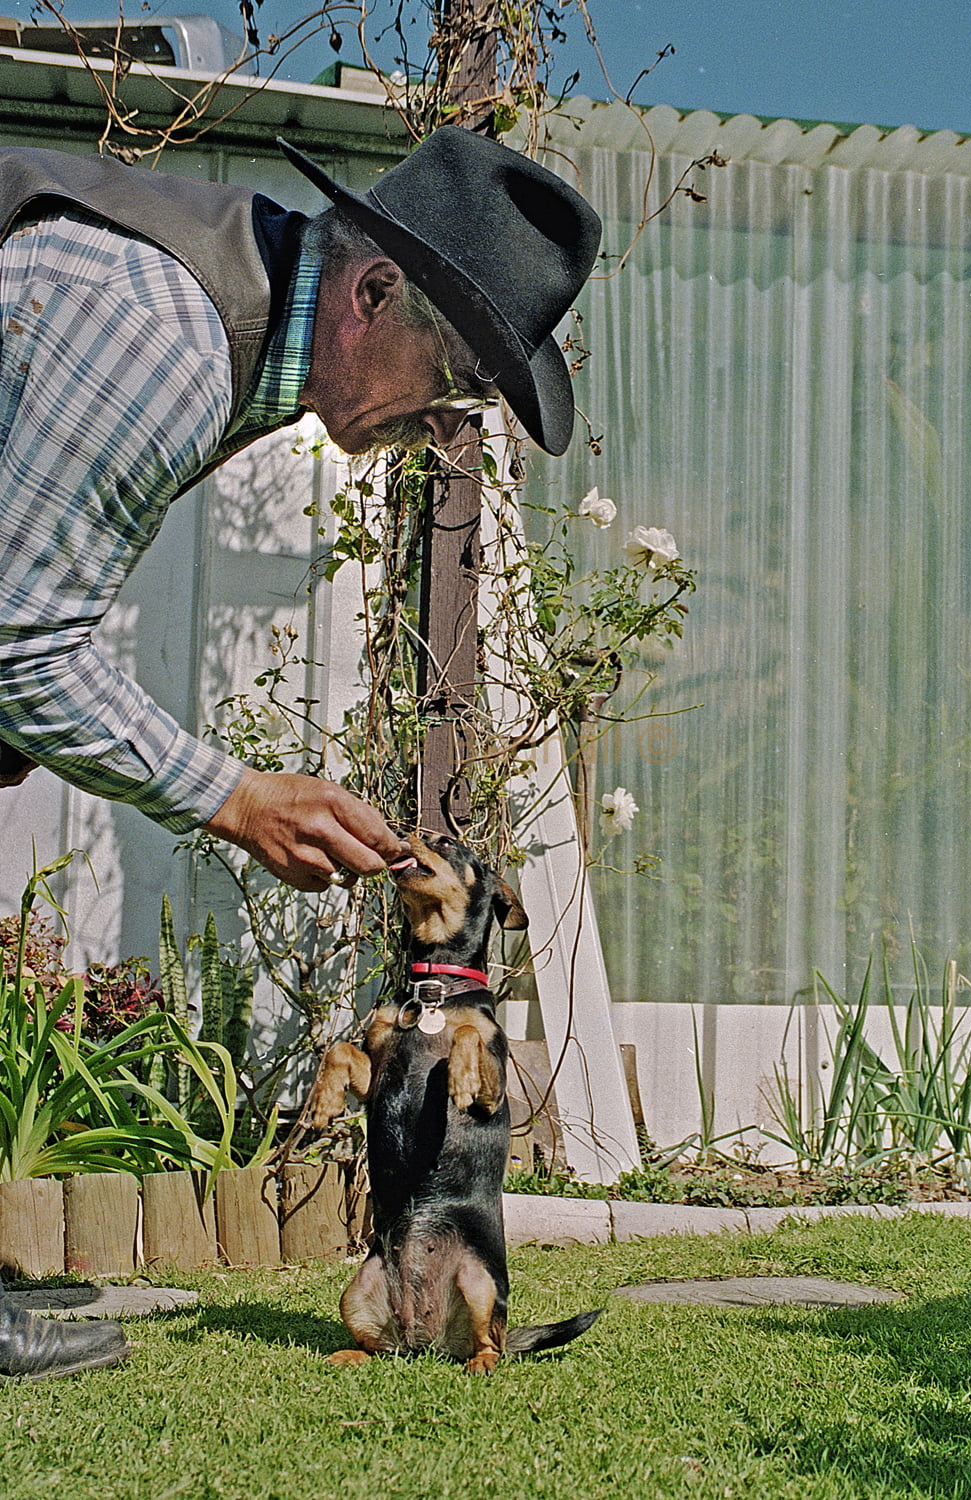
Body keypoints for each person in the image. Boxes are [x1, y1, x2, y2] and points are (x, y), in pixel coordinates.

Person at [0, 126, 601, 1377]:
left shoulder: (236, 338)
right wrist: (233, 794)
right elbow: (19, 642)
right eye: (445, 376)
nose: (441, 420)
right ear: (372, 293)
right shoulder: (160, 331)